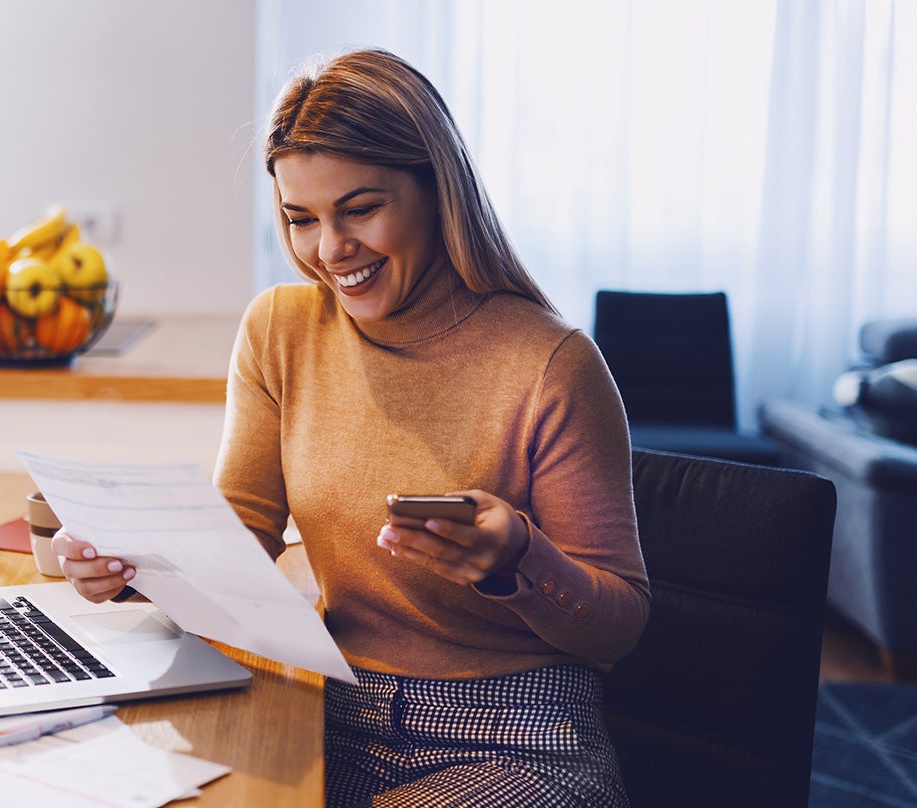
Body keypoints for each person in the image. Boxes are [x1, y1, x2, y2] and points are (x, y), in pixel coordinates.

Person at [54, 47, 650, 807]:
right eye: (302, 219)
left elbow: (619, 625)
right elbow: (238, 538)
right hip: (328, 705)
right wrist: (130, 567)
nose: (330, 250)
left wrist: (518, 559)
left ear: (437, 190)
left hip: (517, 738)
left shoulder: (551, 363)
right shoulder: (281, 330)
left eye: (360, 209)